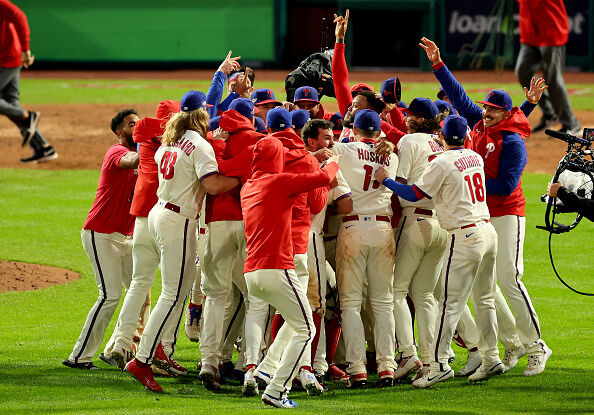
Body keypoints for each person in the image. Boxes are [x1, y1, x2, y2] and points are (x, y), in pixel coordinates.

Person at [421, 37, 553, 377]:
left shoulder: (513, 143)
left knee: (510, 279)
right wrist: (438, 64)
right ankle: (511, 345)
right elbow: (458, 95)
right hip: (484, 216)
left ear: (504, 115)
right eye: (486, 109)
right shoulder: (480, 123)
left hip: (508, 214)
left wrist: (469, 186)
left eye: (493, 110)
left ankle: (538, 346)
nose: (486, 112)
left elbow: (506, 186)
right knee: (486, 285)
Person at [124, 91, 240, 392]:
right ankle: (143, 359)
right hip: (178, 220)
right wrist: (245, 177)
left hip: (161, 213)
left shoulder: (170, 140)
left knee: (175, 290)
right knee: (173, 294)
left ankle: (150, 354)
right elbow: (212, 185)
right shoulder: (199, 145)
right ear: (201, 115)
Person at [376, 114, 503, 388]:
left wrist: (386, 180)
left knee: (448, 303)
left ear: (442, 136)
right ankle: (491, 356)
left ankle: (439, 364)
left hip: (464, 234)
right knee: (485, 299)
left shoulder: (442, 162)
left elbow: (413, 194)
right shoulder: (475, 157)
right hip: (488, 231)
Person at [240, 136, 340, 408]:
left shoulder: (248, 186)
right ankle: (276, 389)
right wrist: (334, 161)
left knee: (297, 320)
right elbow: (322, 178)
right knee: (306, 329)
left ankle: (266, 367)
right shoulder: (279, 182)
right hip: (276, 268)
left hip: (253, 272)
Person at [108, 100, 187, 376]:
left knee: (140, 283)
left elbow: (143, 125)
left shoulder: (143, 132)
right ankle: (156, 351)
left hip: (142, 215)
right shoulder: (181, 139)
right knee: (172, 290)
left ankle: (121, 343)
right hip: (167, 217)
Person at [62, 109, 140, 370]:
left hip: (128, 237)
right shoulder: (116, 152)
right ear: (120, 132)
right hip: (101, 233)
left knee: (139, 292)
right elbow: (132, 161)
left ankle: (115, 348)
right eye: (131, 125)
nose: (136, 127)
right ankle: (79, 356)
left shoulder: (145, 157)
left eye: (138, 123)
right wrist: (155, 147)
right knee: (109, 295)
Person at [199, 97, 263, 390]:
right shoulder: (262, 141)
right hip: (251, 223)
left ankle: (209, 362)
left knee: (215, 295)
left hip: (218, 222)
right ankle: (250, 364)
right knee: (255, 296)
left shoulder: (212, 142)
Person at [332, 109, 399, 388]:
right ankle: (387, 366)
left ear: (354, 128)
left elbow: (320, 144)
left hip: (352, 228)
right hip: (383, 229)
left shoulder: (345, 150)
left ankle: (358, 367)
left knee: (350, 303)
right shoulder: (391, 156)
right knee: (383, 302)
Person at [389, 98, 448, 382]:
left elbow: (399, 184)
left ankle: (410, 354)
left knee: (396, 292)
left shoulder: (411, 142)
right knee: (425, 295)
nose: (406, 119)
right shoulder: (441, 142)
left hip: (416, 222)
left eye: (411, 115)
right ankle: (434, 360)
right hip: (442, 225)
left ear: (421, 119)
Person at [0, 0, 57, 163]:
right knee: (11, 104)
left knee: (15, 110)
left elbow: (20, 17)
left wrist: (26, 49)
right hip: (7, 58)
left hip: (8, 58)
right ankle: (44, 149)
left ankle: (26, 117)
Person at [515, 0, 581, 135]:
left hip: (551, 27)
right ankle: (549, 113)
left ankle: (571, 124)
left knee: (552, 79)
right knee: (522, 72)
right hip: (530, 32)